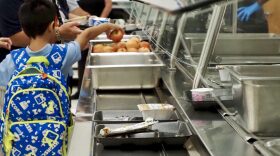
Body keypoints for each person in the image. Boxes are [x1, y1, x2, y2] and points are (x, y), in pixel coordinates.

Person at [0, 0, 122, 87]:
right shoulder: (63, 54)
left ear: (23, 27)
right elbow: (86, 35)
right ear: (53, 25)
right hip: (55, 122)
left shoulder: (12, 59)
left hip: (19, 123)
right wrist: (106, 25)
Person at [0, 0, 84, 63]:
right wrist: (58, 33)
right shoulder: (8, 2)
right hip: (23, 63)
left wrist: (84, 21)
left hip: (57, 54)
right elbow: (14, 37)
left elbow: (63, 14)